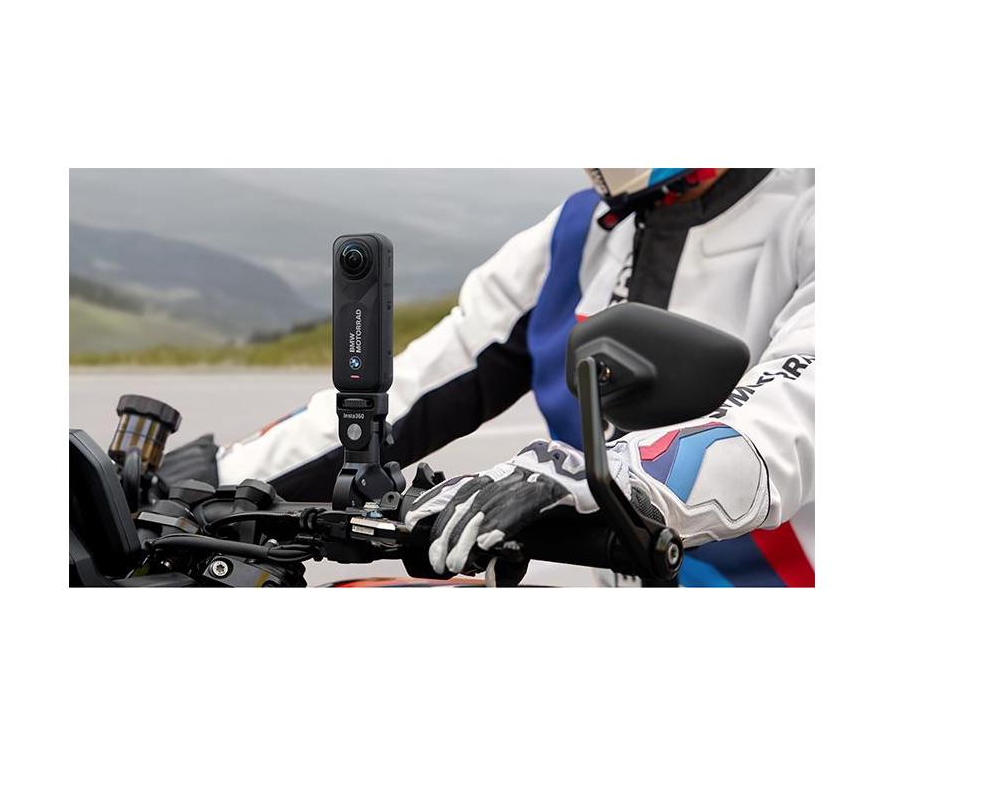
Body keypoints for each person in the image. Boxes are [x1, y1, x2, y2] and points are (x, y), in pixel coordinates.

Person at [212, 169, 815, 587]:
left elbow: (786, 421)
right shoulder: (577, 232)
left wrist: (602, 474)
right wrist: (217, 481)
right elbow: (423, 382)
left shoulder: (809, 211)